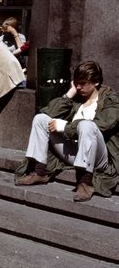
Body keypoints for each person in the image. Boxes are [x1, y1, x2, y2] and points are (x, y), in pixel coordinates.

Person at [15, 61, 118, 202]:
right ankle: (40, 172)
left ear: (96, 82)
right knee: (40, 119)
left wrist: (65, 127)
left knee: (87, 126)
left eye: (83, 83)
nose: (79, 87)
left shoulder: (110, 100)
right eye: (76, 83)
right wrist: (69, 95)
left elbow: (103, 125)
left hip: (98, 157)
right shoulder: (77, 98)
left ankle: (85, 182)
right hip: (73, 152)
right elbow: (48, 112)